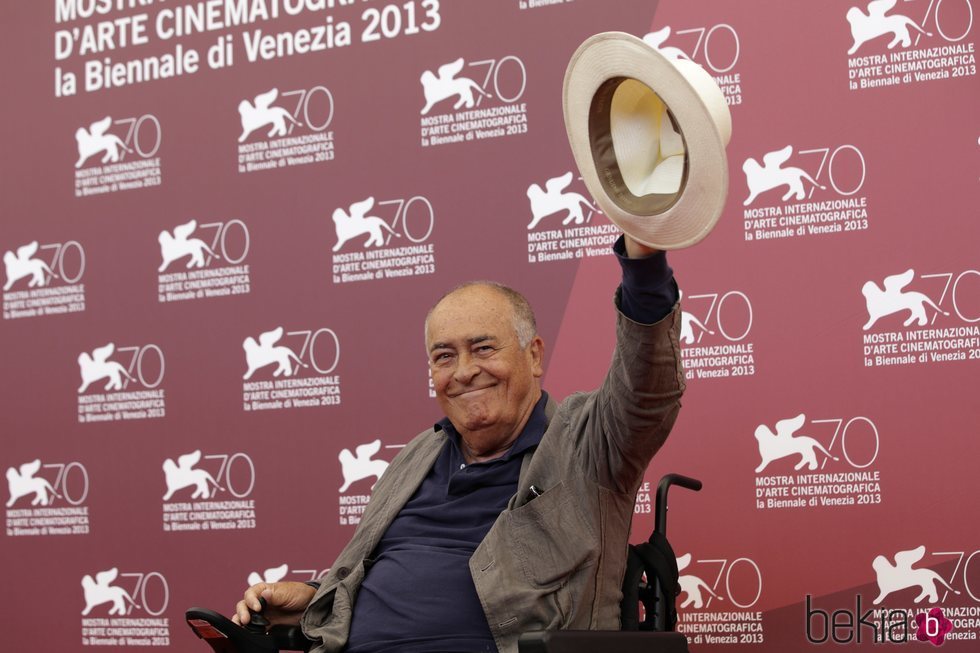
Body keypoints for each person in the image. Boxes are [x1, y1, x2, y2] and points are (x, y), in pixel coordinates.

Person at [234, 234, 685, 653]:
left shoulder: (587, 442)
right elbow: (388, 570)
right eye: (444, 356)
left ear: (533, 355)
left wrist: (643, 262)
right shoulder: (416, 456)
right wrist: (315, 595)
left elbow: (647, 389)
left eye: (484, 348)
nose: (464, 371)